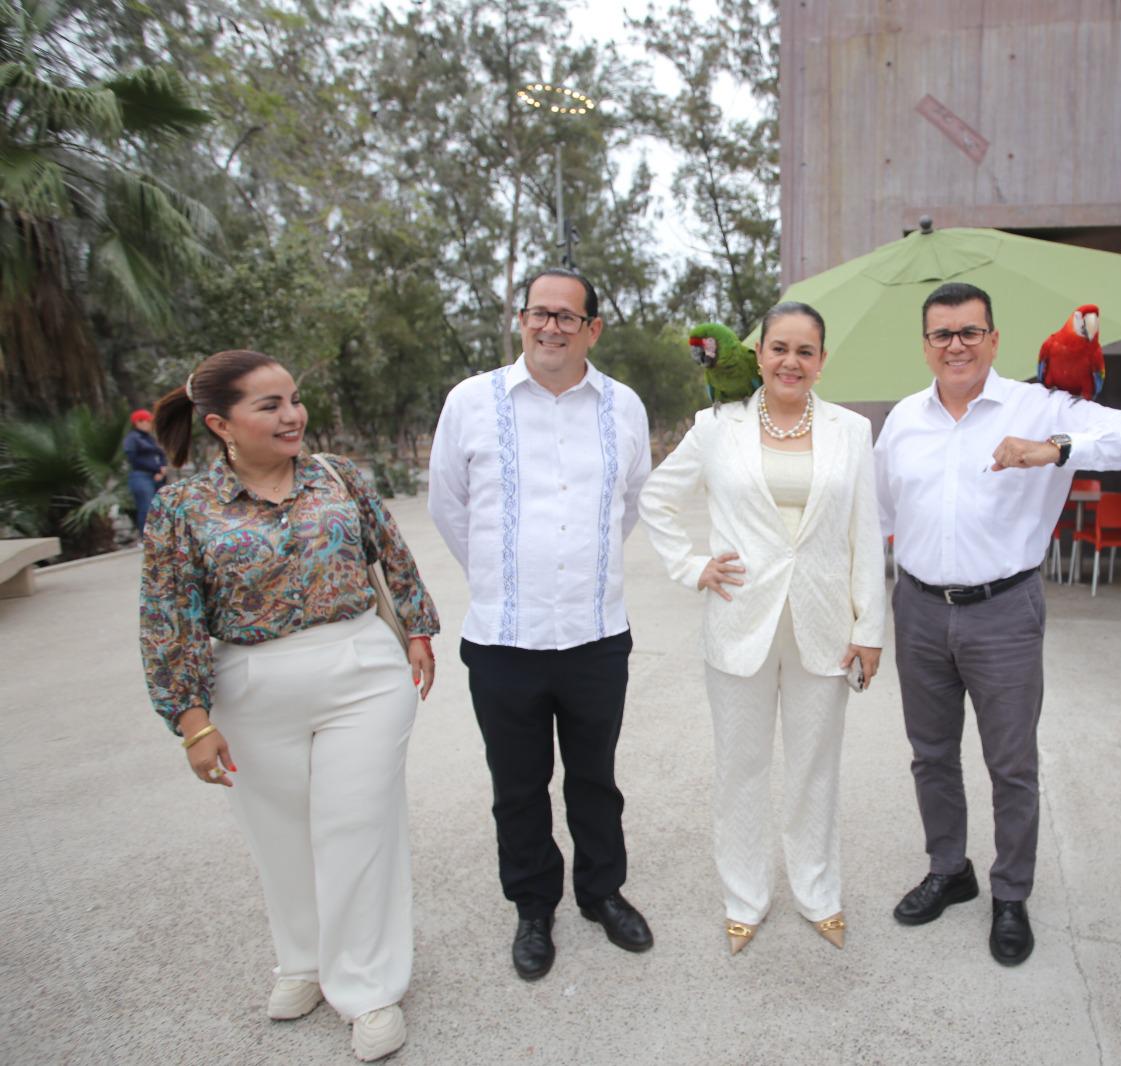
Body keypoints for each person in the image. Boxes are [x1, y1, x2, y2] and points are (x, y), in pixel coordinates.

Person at [139, 349, 440, 1063]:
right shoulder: (184, 507)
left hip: (361, 668)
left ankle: (367, 989)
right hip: (248, 683)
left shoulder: (339, 476)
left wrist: (418, 630)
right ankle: (303, 961)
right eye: (269, 405)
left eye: (294, 400)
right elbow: (168, 617)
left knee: (356, 826)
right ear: (220, 424)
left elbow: (392, 555)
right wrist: (191, 722)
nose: (292, 415)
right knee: (278, 834)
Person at [875, 281, 1121, 965]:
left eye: (970, 331)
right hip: (917, 609)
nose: (956, 345)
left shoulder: (1040, 405)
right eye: (942, 333)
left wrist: (1055, 449)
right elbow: (879, 517)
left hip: (1003, 611)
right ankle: (950, 870)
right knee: (931, 755)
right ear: (925, 346)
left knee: (1011, 764)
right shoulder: (902, 421)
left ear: (994, 340)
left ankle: (1011, 893)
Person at [428, 266, 654, 982]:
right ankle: (533, 907)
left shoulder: (623, 406)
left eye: (567, 316)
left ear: (593, 328)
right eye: (538, 313)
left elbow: (630, 505)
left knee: (595, 777)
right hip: (503, 640)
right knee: (517, 785)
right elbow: (449, 507)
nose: (550, 326)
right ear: (520, 320)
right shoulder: (471, 402)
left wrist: (577, 569)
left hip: (595, 634)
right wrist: (505, 577)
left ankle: (602, 892)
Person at [638, 301, 884, 955]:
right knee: (740, 768)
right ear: (759, 352)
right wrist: (693, 567)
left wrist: (871, 627)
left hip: (825, 625)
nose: (791, 362)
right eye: (780, 347)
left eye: (806, 351)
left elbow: (865, 532)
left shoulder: (851, 432)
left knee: (815, 768)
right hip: (739, 620)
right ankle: (745, 897)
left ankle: (817, 892)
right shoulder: (716, 426)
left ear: (822, 361)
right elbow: (656, 497)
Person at [123, 408, 168, 534]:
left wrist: (162, 468)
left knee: (161, 507)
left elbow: (161, 454)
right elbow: (133, 458)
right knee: (146, 507)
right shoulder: (132, 438)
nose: (150, 424)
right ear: (138, 422)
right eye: (147, 421)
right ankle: (146, 537)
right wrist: (156, 469)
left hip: (157, 476)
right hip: (141, 476)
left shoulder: (150, 438)